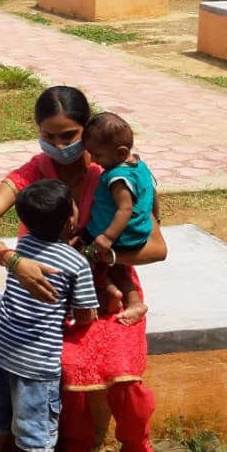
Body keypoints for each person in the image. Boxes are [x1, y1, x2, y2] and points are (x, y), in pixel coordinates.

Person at [0, 85, 168, 452]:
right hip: (48, 299)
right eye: (49, 135)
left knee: (125, 379)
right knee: (67, 373)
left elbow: (157, 248)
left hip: (110, 291)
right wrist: (12, 260)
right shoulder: (31, 173)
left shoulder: (118, 173)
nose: (58, 145)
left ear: (87, 129)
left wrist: (93, 255)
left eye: (69, 134)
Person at [0, 179, 98, 452]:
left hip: (0, 348)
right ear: (70, 219)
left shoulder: (19, 249)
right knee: (35, 426)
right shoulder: (77, 264)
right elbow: (85, 316)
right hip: (37, 360)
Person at [81, 112, 156, 325]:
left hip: (119, 234)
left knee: (83, 255)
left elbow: (124, 209)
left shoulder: (117, 178)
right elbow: (151, 192)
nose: (93, 160)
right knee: (118, 266)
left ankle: (102, 292)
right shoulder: (138, 165)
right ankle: (134, 303)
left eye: (97, 155)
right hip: (138, 231)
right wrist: (155, 219)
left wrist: (106, 237)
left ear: (121, 152)